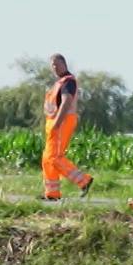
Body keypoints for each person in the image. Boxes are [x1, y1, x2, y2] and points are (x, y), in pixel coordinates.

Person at [41, 53, 93, 201]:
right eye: (52, 66)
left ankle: (84, 180)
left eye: (56, 65)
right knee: (47, 158)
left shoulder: (68, 82)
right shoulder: (59, 82)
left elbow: (66, 101)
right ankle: (52, 193)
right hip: (53, 122)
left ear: (64, 64)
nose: (54, 68)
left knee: (55, 157)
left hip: (61, 122)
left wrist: (57, 122)